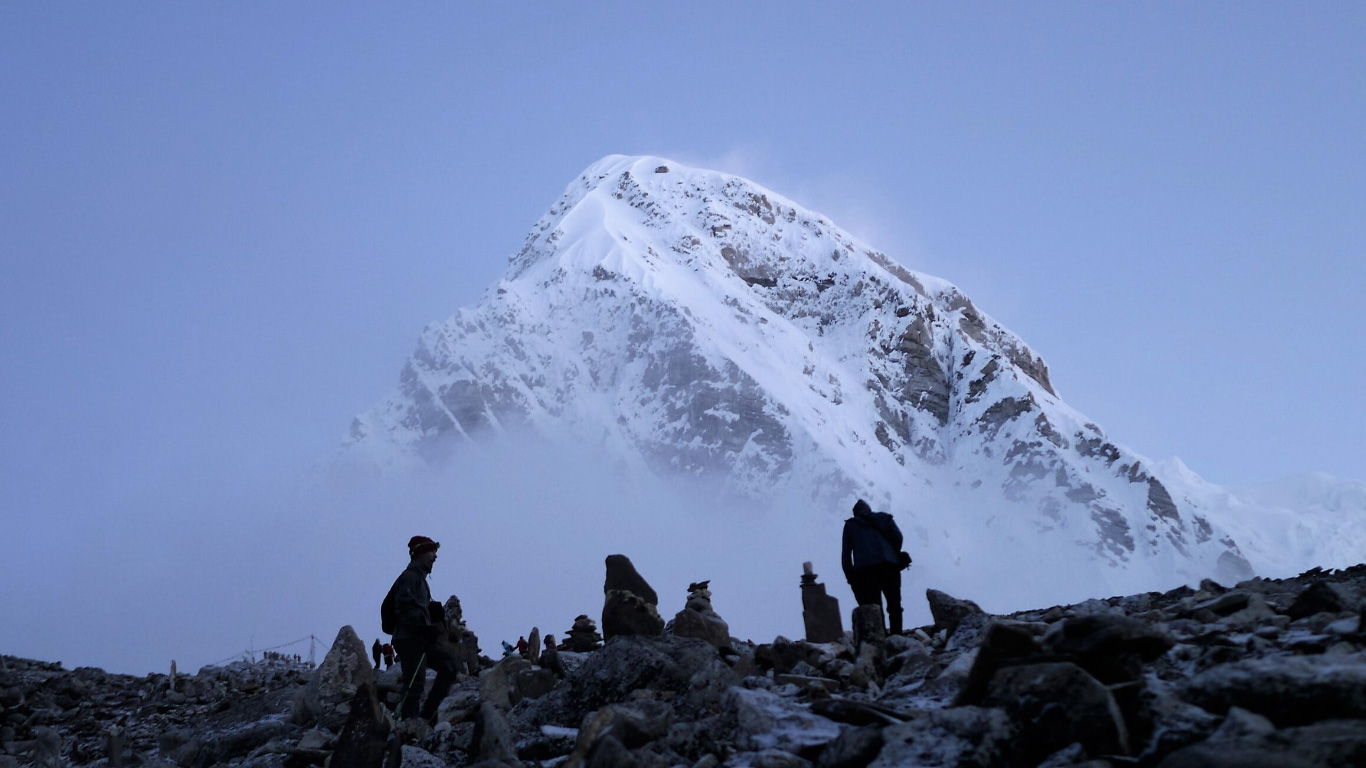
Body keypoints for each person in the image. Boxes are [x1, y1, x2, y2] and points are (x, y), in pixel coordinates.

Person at [385, 535, 460, 722]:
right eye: (432, 552)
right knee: (414, 682)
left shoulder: (419, 579)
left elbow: (412, 607)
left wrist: (430, 613)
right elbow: (403, 608)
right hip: (409, 638)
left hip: (418, 637)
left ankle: (425, 717)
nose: (435, 556)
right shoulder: (409, 578)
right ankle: (408, 723)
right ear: (419, 554)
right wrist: (422, 627)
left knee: (450, 665)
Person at [841, 498, 906, 635]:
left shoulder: (851, 526)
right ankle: (897, 636)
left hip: (866, 573)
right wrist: (893, 554)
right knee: (894, 605)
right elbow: (898, 537)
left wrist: (851, 578)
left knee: (874, 607)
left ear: (855, 514)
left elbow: (846, 556)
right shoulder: (884, 518)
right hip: (890, 567)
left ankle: (880, 638)